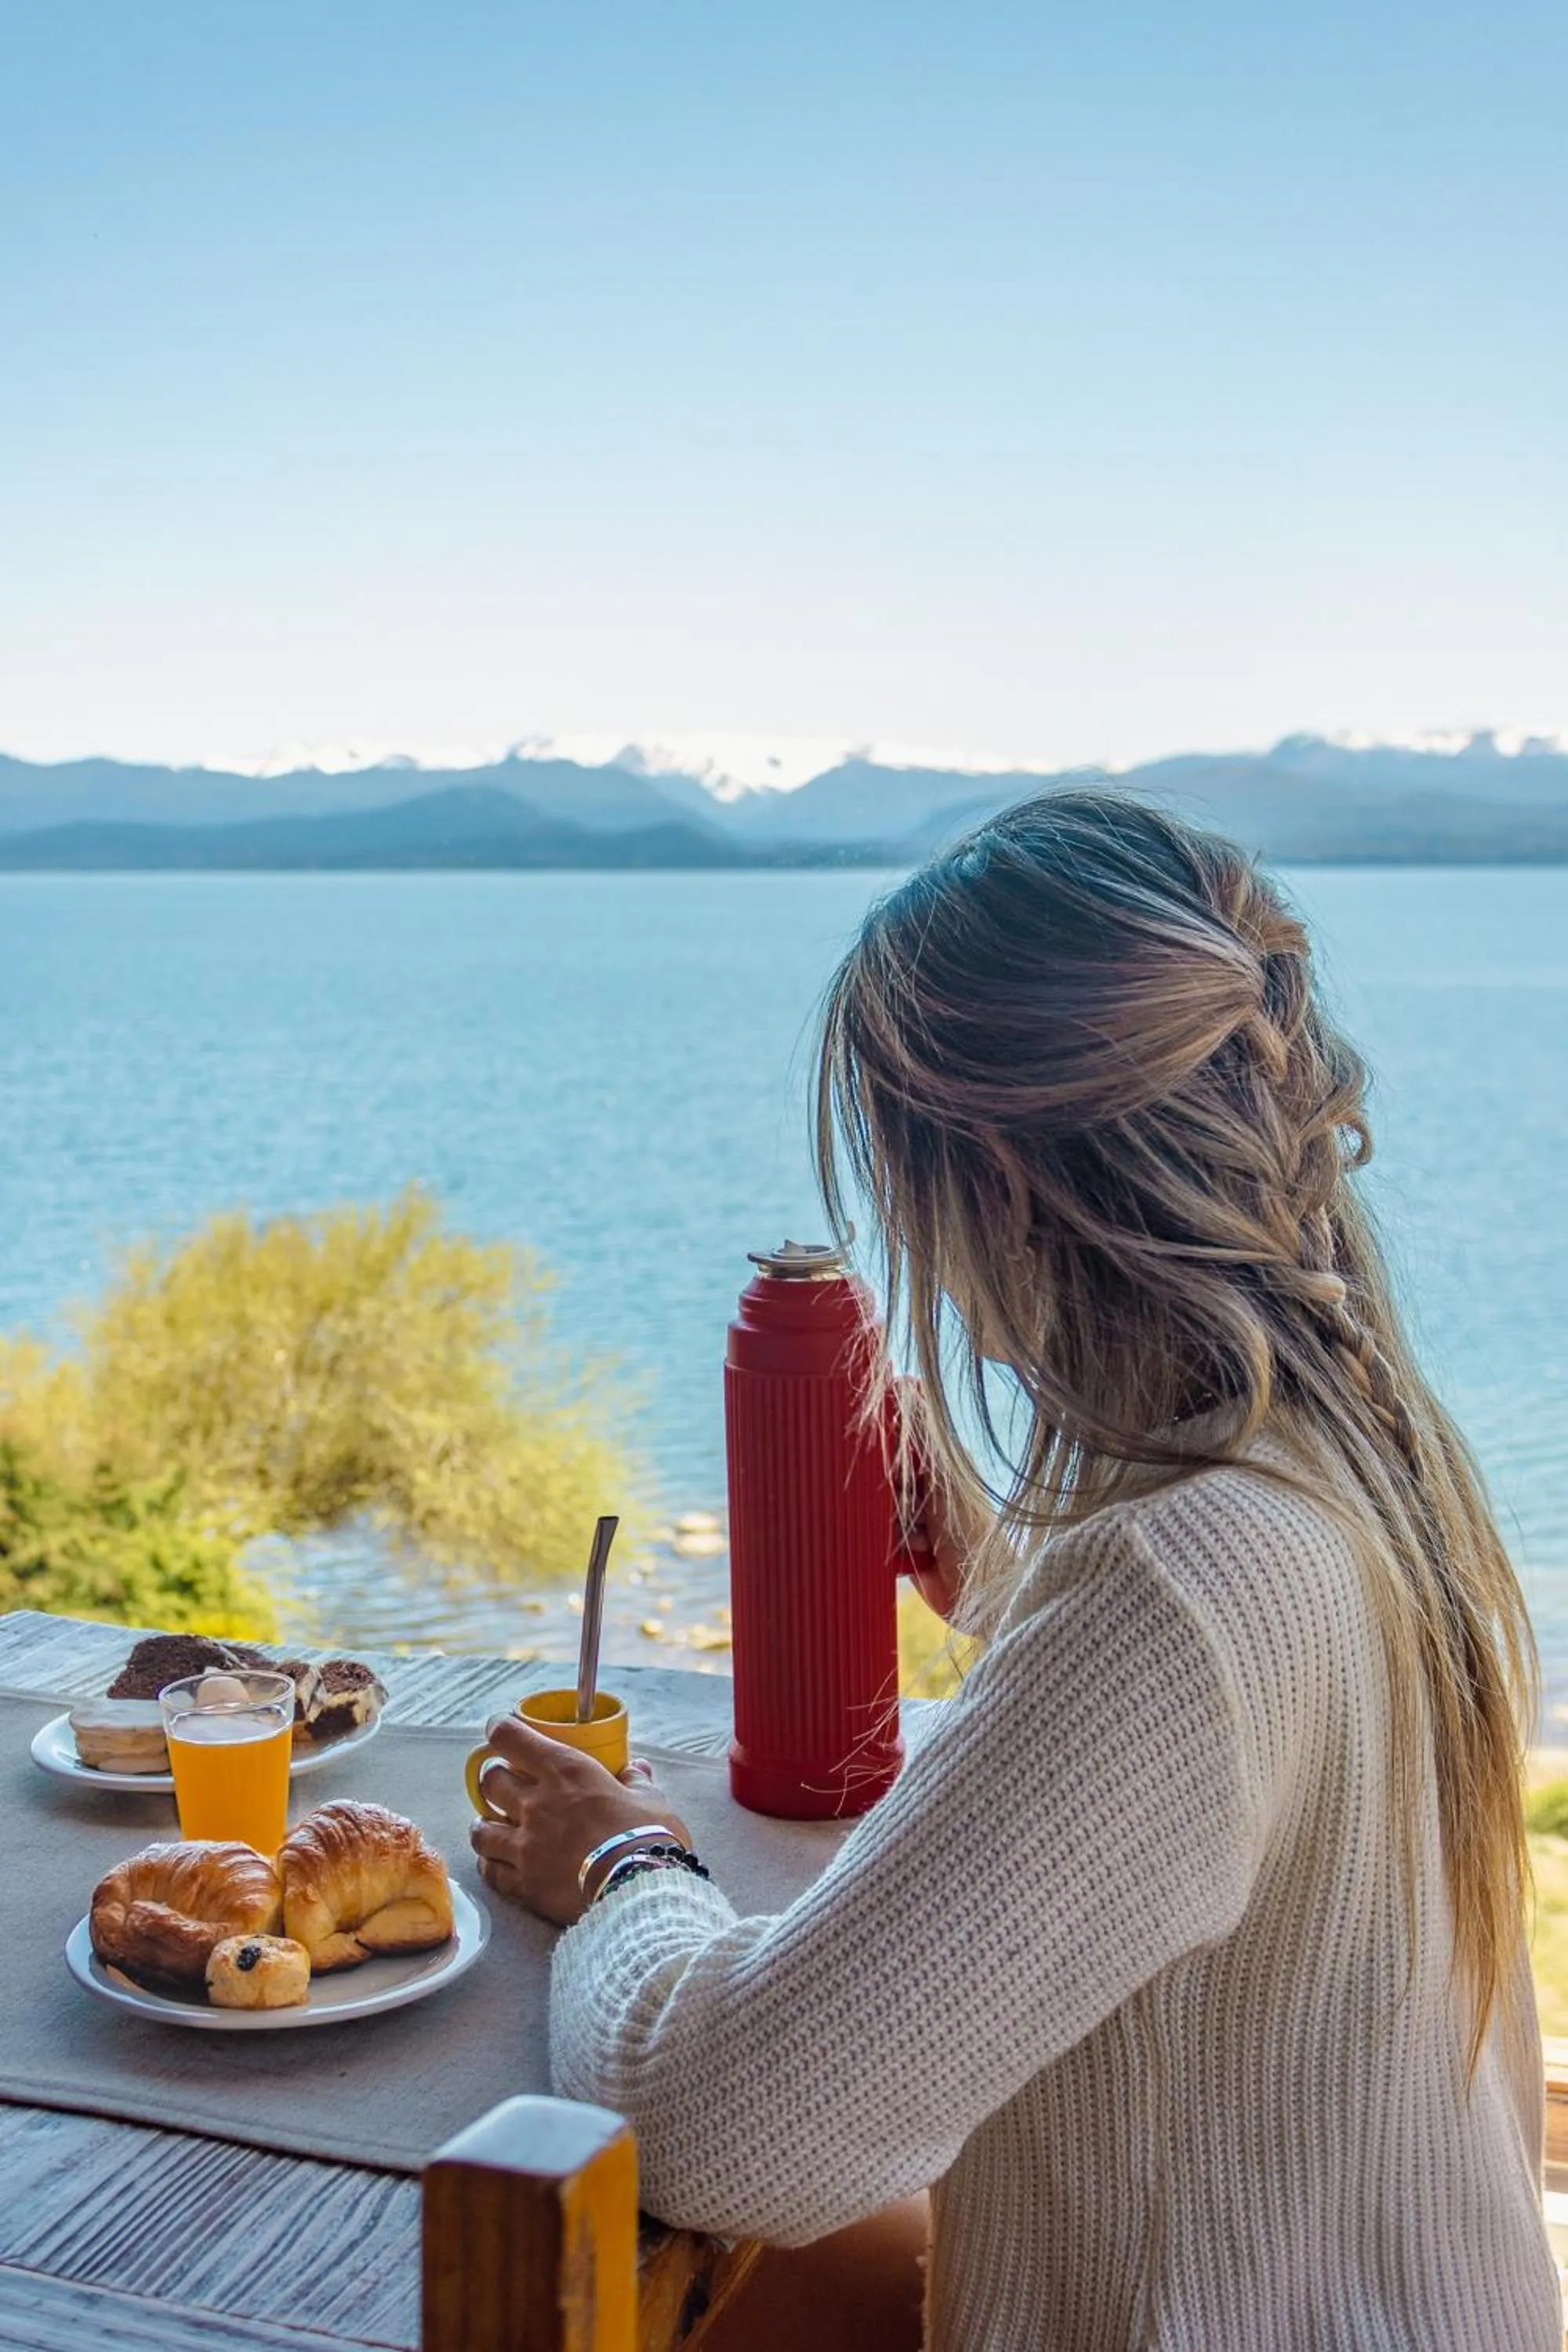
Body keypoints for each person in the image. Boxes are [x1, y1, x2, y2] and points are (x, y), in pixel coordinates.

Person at [470, 793, 1559, 2350]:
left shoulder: (1173, 1585)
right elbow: (1231, 1733)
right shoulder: (1371, 1451)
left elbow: (725, 2126)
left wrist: (624, 1868)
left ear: (982, 1171)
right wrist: (1011, 1569)